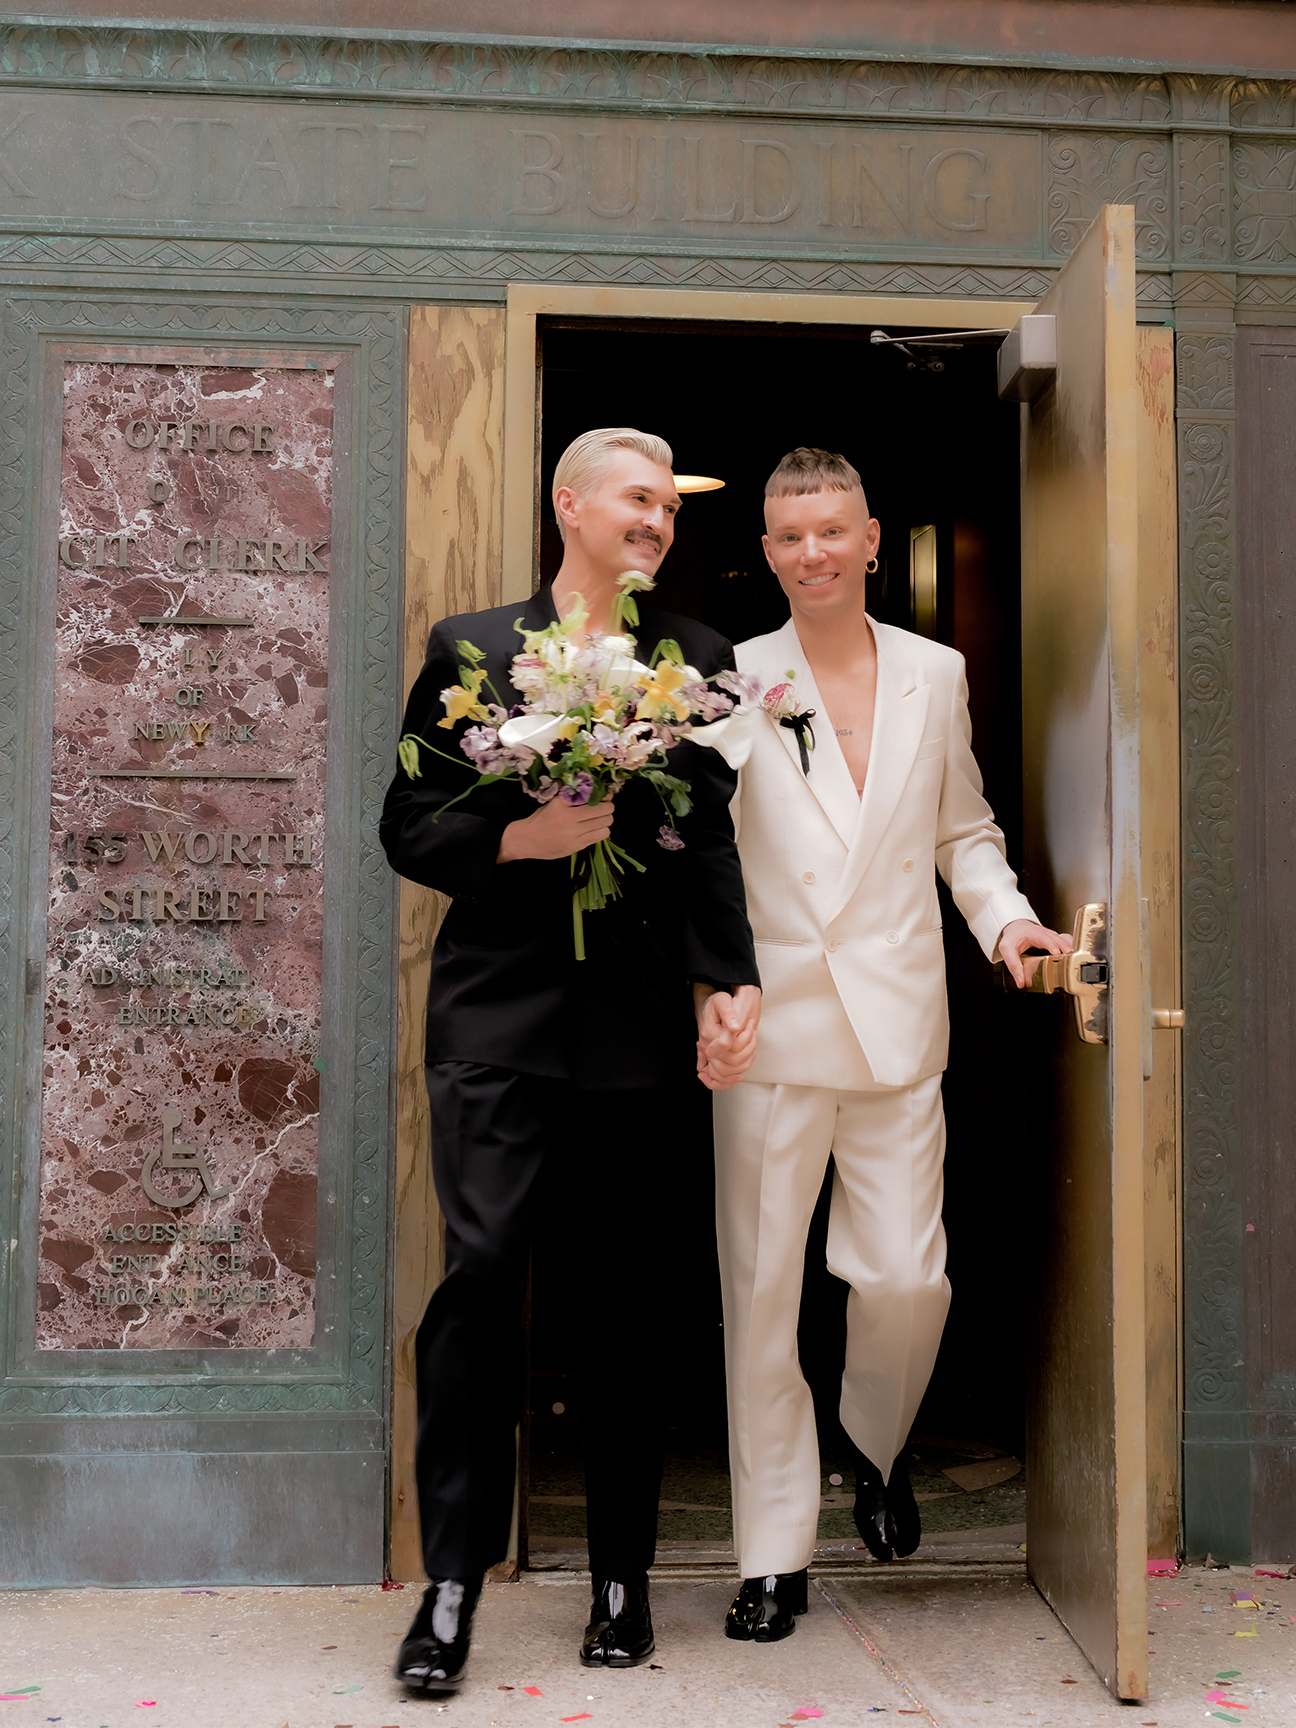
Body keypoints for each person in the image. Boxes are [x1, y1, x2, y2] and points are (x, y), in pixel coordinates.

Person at [380, 427, 761, 1694]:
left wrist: (728, 982)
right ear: (571, 505)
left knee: (627, 1302)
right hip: (495, 1018)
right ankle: (449, 1583)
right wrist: (522, 846)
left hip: (638, 1027)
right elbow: (411, 822)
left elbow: (707, 845)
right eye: (637, 499)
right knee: (480, 1283)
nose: (656, 519)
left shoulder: (695, 663)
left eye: (667, 505)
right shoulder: (473, 648)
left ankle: (620, 1577)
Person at [702, 447, 1070, 1643]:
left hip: (902, 1025)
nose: (812, 553)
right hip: (770, 1031)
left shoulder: (936, 671)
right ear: (767, 552)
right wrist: (715, 986)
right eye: (789, 536)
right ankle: (772, 1556)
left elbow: (964, 831)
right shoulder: (730, 675)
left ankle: (874, 1444)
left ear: (870, 538)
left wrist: (1007, 920)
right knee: (759, 1301)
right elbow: (702, 852)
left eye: (831, 532)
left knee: (910, 1281)